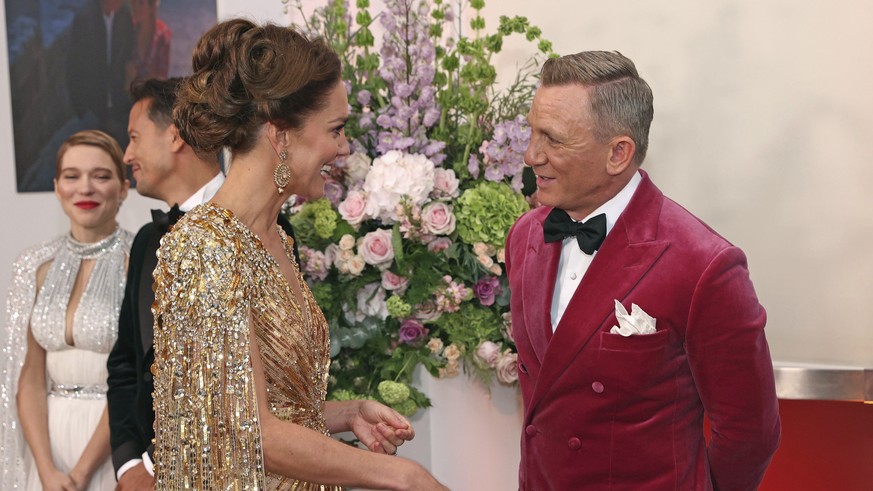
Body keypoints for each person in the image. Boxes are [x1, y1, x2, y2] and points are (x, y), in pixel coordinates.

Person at [151, 19, 448, 490]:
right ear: (280, 134)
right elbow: (251, 433)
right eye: (336, 129)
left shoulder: (277, 238)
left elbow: (269, 405)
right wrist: (404, 476)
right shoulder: (205, 246)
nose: (344, 148)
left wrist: (347, 413)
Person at [505, 51, 781, 490]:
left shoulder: (705, 265)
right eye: (532, 132)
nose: (530, 155)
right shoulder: (525, 237)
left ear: (619, 153)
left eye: (552, 139)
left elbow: (750, 433)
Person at [105, 77, 301, 489]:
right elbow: (126, 366)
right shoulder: (146, 241)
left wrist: (160, 464)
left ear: (175, 136)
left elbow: (259, 379)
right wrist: (129, 465)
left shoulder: (264, 230)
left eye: (135, 138)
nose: (127, 155)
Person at [0, 130, 133, 490]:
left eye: (101, 176)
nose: (85, 188)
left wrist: (82, 473)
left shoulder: (138, 263)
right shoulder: (33, 266)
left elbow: (137, 378)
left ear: (123, 188)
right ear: (57, 186)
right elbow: (28, 377)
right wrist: (45, 469)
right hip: (48, 447)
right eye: (72, 176)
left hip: (116, 445)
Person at [66, 0, 135, 147]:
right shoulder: (85, 20)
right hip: (94, 108)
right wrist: (83, 110)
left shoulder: (124, 14)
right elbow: (74, 68)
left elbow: (128, 52)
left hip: (119, 105)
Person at [129, 0, 171, 81]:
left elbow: (162, 79)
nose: (135, 7)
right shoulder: (130, 30)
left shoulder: (162, 35)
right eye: (133, 2)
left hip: (151, 91)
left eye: (140, 3)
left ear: (152, 6)